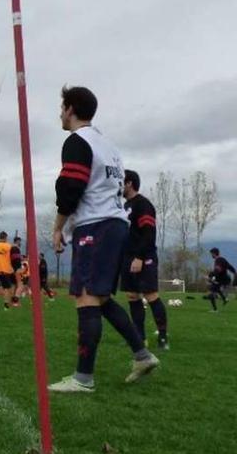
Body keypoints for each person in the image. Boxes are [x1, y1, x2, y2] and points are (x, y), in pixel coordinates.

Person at [48, 86, 158, 393]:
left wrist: (59, 228)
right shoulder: (109, 146)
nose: (59, 113)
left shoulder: (77, 141)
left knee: (85, 296)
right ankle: (142, 354)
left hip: (95, 227)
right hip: (115, 226)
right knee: (101, 297)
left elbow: (71, 188)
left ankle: (83, 379)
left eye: (61, 107)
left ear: (70, 109)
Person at [121, 170, 169, 349]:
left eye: (121, 182)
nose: (118, 186)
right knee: (132, 297)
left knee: (150, 295)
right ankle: (140, 338)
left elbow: (148, 233)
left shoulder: (143, 204)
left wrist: (140, 257)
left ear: (129, 183)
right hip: (127, 258)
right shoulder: (124, 207)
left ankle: (163, 337)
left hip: (144, 257)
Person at [10, 236, 25, 304]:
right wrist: (18, 269)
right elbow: (15, 260)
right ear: (17, 241)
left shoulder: (12, 248)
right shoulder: (15, 249)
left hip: (12, 269)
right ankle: (15, 301)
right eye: (20, 241)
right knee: (21, 285)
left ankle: (12, 301)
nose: (20, 243)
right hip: (17, 269)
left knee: (14, 285)